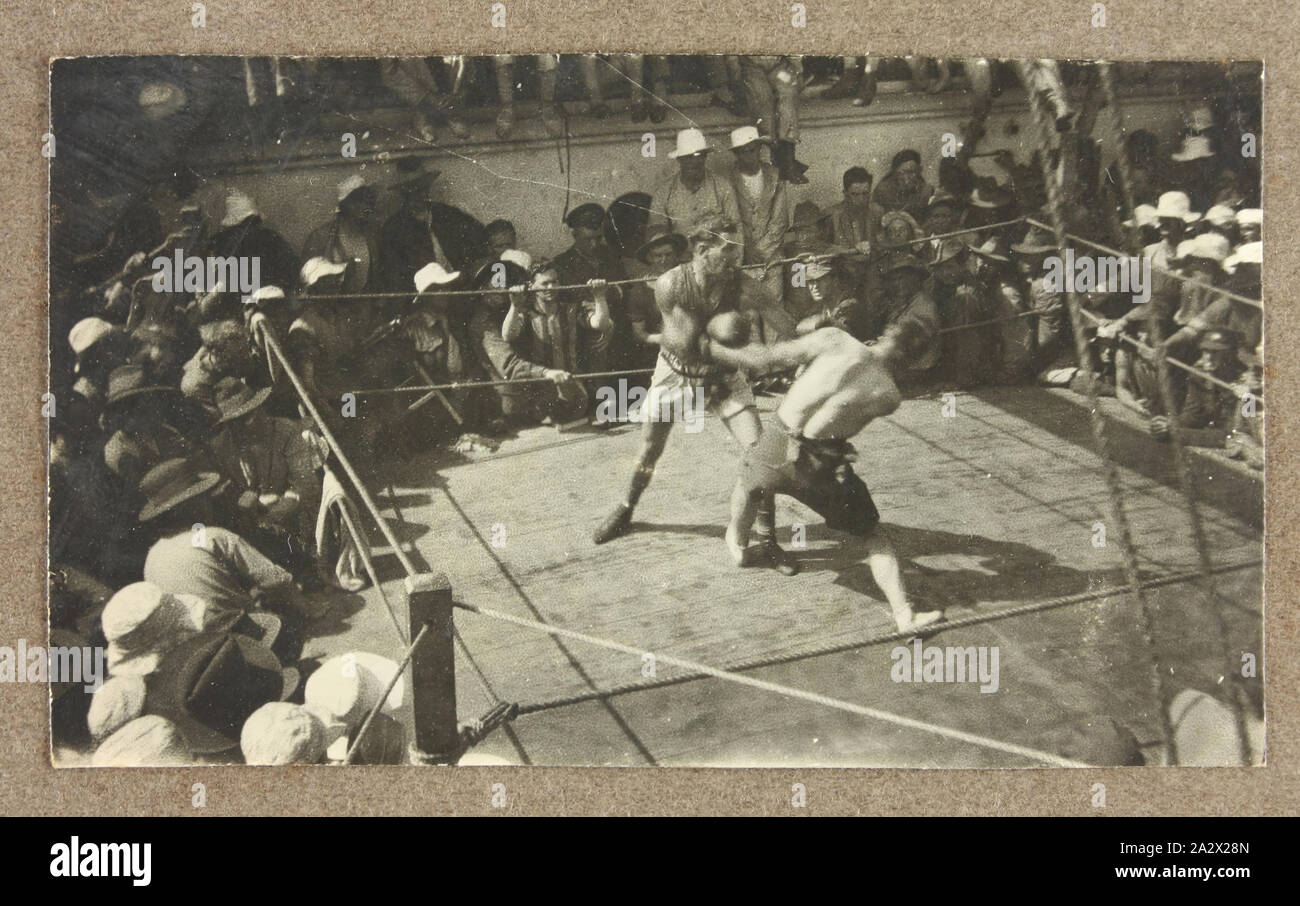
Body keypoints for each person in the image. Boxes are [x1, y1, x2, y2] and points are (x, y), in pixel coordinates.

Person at [700, 322, 944, 633]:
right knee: (874, 536)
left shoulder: (835, 338)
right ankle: (904, 616)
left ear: (885, 333)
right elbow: (834, 426)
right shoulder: (889, 396)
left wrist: (712, 349)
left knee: (749, 482)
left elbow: (766, 358)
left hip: (775, 444)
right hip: (818, 467)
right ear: (913, 361)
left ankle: (738, 543)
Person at [592, 217, 796, 576]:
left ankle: (768, 539)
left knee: (761, 455)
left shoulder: (744, 284)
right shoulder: (671, 283)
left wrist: (810, 347)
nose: (736, 258)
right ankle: (626, 508)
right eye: (728, 251)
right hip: (677, 371)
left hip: (723, 375)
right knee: (649, 448)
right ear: (702, 251)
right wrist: (745, 348)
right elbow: (683, 344)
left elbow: (783, 321)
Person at [139, 457, 322, 618]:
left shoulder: (152, 558)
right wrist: (309, 608)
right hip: (237, 631)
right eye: (204, 497)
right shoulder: (214, 537)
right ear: (194, 505)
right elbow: (275, 579)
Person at [728, 126, 794, 341]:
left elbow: (780, 218)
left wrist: (763, 250)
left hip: (771, 255)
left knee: (773, 309)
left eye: (753, 149)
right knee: (748, 314)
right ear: (736, 154)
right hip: (742, 256)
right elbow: (731, 219)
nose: (750, 155)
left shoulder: (774, 175)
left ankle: (776, 369)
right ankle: (758, 369)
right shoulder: (728, 180)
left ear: (760, 149)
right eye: (744, 151)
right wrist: (746, 247)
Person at [651, 129, 742, 235]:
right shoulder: (664, 193)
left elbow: (736, 229)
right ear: (679, 159)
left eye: (699, 156)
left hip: (717, 250)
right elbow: (657, 231)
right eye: (688, 157)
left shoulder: (723, 187)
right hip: (681, 251)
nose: (694, 162)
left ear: (705, 157)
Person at [302, 174, 380, 296]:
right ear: (346, 205)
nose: (366, 207)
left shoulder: (372, 238)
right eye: (358, 201)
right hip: (330, 310)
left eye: (368, 202)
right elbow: (307, 280)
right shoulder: (321, 237)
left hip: (363, 309)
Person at [872, 150, 934, 229]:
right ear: (894, 173)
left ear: (919, 171)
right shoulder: (883, 190)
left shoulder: (926, 191)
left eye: (911, 172)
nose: (906, 178)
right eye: (902, 173)